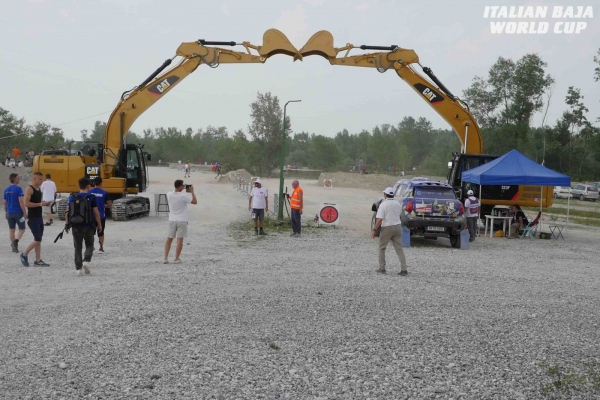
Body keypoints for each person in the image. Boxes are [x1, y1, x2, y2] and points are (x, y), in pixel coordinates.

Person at [65, 177, 102, 276]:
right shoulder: (91, 197)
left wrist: (67, 224)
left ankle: (78, 269)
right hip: (89, 225)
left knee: (77, 247)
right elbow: (96, 212)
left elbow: (67, 211)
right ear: (88, 186)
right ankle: (86, 260)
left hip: (75, 226)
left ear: (79, 186)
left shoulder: (73, 197)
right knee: (89, 245)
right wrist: (99, 224)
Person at [372, 187, 408, 276]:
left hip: (387, 227)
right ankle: (404, 269)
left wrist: (375, 229)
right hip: (397, 227)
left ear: (385, 195)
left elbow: (380, 219)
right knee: (399, 249)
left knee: (382, 247)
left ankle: (382, 268)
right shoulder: (398, 203)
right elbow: (400, 214)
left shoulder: (383, 205)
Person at [20, 172, 51, 267]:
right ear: (34, 179)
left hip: (39, 217)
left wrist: (44, 203)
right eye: (40, 179)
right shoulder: (29, 189)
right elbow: (26, 204)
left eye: (42, 179)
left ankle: (38, 260)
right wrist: (40, 204)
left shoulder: (39, 189)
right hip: (32, 218)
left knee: (38, 239)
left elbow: (37, 202)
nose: (42, 181)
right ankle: (24, 255)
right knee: (37, 239)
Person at [164, 179, 197, 264]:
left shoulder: (169, 194)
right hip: (181, 220)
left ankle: (165, 258)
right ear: (179, 186)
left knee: (169, 238)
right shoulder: (183, 196)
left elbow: (173, 192)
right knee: (179, 239)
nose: (183, 187)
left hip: (172, 219)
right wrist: (192, 192)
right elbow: (194, 202)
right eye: (182, 185)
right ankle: (176, 258)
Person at [4, 173, 27, 253]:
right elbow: (21, 201)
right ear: (14, 179)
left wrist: (6, 211)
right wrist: (24, 211)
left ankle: (14, 246)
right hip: (18, 213)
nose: (19, 180)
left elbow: (5, 202)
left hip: (9, 212)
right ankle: (15, 242)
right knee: (22, 229)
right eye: (18, 178)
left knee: (11, 230)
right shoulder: (18, 189)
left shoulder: (6, 189)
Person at [89, 177, 112, 253]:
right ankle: (101, 247)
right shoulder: (104, 192)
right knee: (101, 232)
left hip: (91, 216)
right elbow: (109, 204)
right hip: (101, 215)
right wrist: (104, 205)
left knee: (91, 232)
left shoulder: (89, 192)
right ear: (101, 183)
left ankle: (91, 247)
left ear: (94, 183)